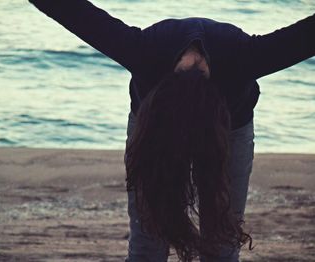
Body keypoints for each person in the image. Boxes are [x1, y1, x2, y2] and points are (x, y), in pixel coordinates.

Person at [28, 1, 315, 261]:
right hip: (157, 132)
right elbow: (76, 14)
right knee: (148, 241)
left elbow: (303, 38)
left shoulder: (242, 56)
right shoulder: (144, 52)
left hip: (225, 133)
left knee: (222, 242)